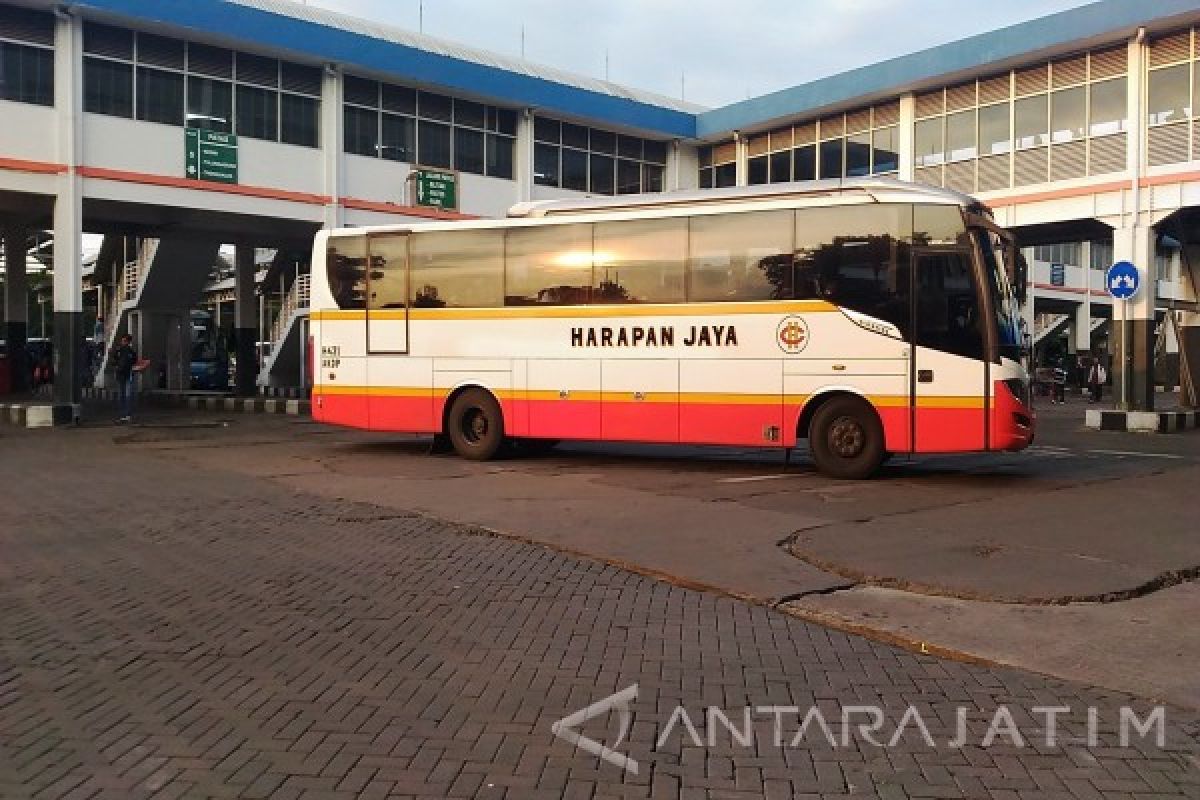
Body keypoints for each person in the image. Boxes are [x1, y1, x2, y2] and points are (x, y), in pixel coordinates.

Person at [112, 334, 138, 422]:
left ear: (128, 342)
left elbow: (115, 360)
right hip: (124, 375)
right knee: (125, 395)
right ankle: (125, 414)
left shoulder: (124, 351)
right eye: (122, 341)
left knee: (124, 395)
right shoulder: (129, 351)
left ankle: (125, 414)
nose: (123, 342)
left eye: (124, 341)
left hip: (124, 375)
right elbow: (134, 361)